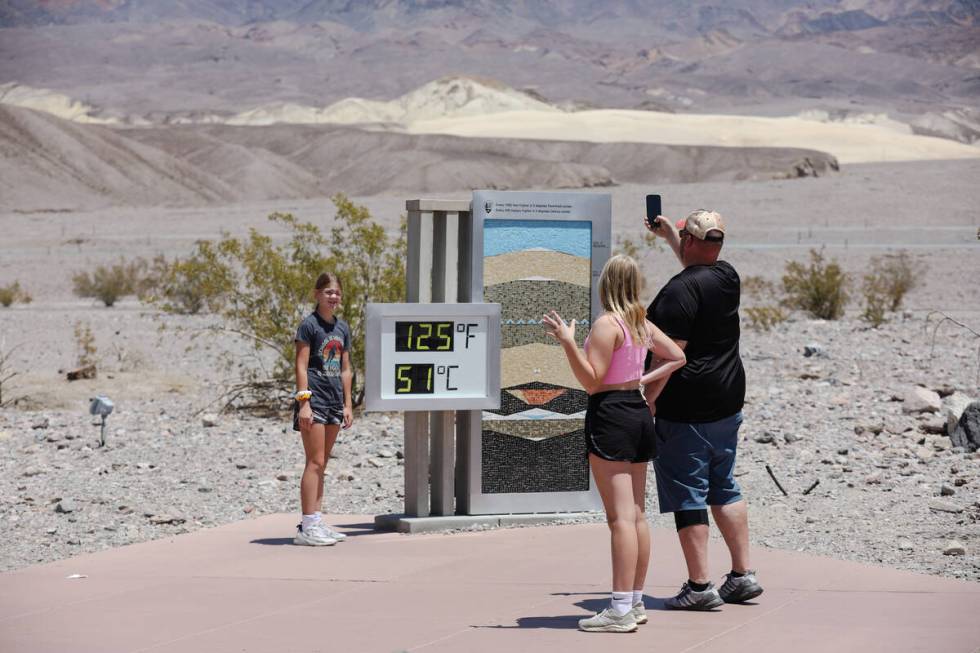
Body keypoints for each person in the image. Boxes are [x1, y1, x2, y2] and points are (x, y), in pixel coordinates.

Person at [542, 254, 686, 633]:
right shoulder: (641, 322)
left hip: (611, 414)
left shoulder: (608, 325)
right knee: (636, 514)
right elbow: (677, 356)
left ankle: (620, 608)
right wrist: (644, 380)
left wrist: (568, 343)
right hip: (638, 413)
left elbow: (591, 380)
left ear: (605, 284)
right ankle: (634, 601)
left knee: (620, 518)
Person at [642, 209, 763, 609]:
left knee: (688, 494)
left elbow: (669, 355)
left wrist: (648, 400)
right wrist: (670, 241)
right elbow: (699, 270)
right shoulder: (726, 275)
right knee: (723, 485)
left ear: (691, 241)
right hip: (727, 400)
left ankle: (699, 587)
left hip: (686, 405)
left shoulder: (677, 292)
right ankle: (743, 576)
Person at [292, 272, 354, 546]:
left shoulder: (343, 328)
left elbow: (346, 368)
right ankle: (306, 526)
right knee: (314, 461)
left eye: (337, 292)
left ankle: (316, 520)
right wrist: (304, 403)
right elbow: (301, 365)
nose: (333, 297)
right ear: (317, 294)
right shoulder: (309, 326)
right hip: (314, 399)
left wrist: (348, 403)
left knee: (323, 463)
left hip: (334, 400)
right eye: (328, 292)